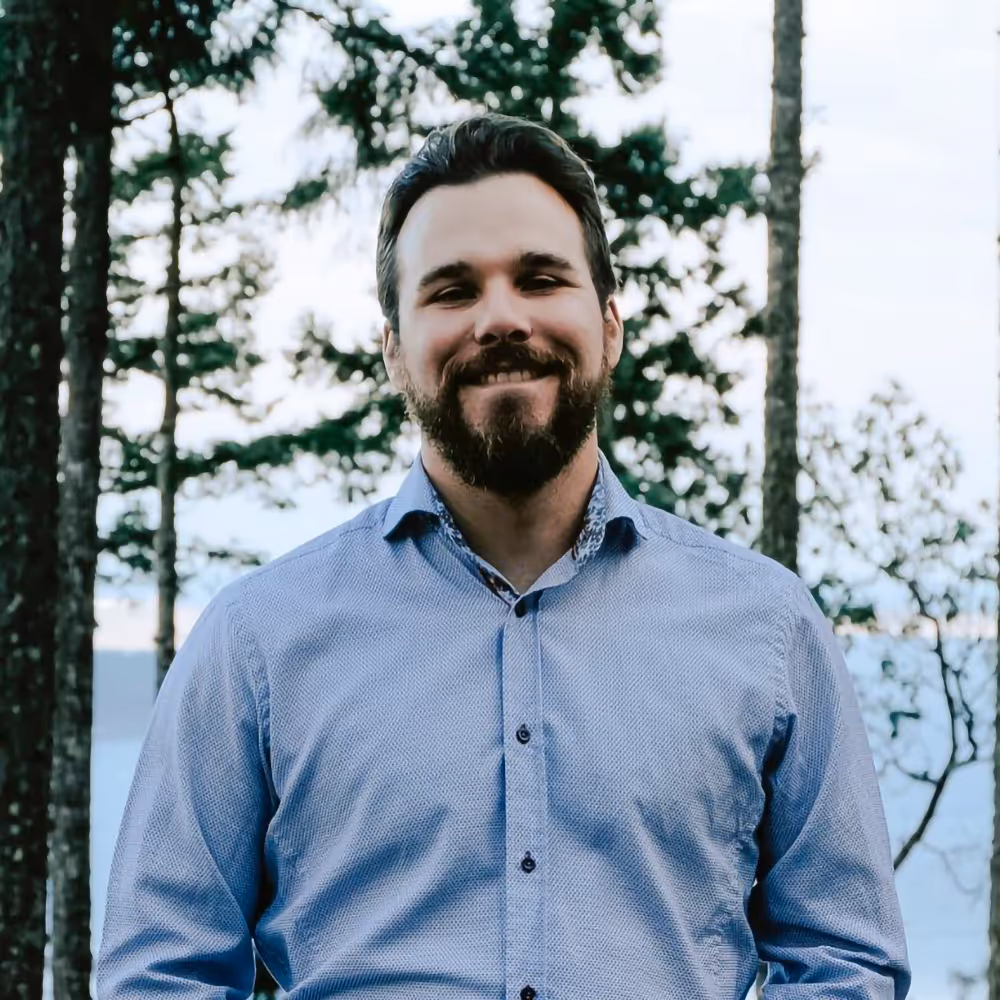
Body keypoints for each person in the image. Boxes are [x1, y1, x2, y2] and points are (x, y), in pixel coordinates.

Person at [96, 113, 911, 999]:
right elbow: (160, 972)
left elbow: (846, 962)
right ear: (393, 351)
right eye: (452, 291)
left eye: (540, 278)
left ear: (609, 323)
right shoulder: (256, 643)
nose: (500, 319)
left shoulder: (767, 628)